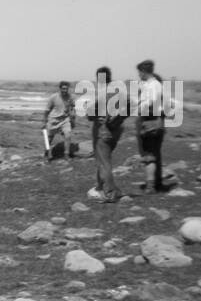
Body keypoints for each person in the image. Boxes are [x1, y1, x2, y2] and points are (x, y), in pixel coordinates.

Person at [85, 66, 128, 204]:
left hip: (103, 131)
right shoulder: (120, 91)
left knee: (104, 163)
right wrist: (115, 120)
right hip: (116, 131)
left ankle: (110, 193)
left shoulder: (102, 93)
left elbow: (90, 115)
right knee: (104, 160)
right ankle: (101, 187)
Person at [134, 59, 168, 193]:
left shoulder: (152, 85)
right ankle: (157, 182)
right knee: (155, 153)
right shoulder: (157, 84)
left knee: (149, 156)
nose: (138, 75)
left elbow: (151, 102)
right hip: (157, 120)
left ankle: (150, 186)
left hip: (150, 121)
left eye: (139, 72)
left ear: (143, 71)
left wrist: (138, 106)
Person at [41, 80, 76, 162]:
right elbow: (47, 110)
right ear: (60, 89)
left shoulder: (70, 97)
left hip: (65, 120)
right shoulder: (53, 97)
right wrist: (44, 121)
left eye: (66, 89)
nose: (65, 90)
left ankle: (66, 154)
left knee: (68, 135)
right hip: (53, 119)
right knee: (48, 139)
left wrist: (73, 120)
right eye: (63, 89)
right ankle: (47, 153)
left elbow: (72, 109)